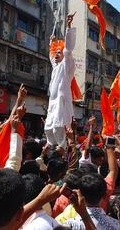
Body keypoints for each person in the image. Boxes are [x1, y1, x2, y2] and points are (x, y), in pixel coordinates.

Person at [44, 13, 76, 150]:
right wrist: (51, 43)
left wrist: (68, 26)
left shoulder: (66, 64)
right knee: (48, 129)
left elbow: (68, 49)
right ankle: (52, 153)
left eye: (59, 52)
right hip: (52, 103)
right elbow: (51, 56)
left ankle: (64, 152)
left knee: (59, 128)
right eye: (55, 52)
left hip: (62, 102)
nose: (56, 54)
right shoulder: (56, 66)